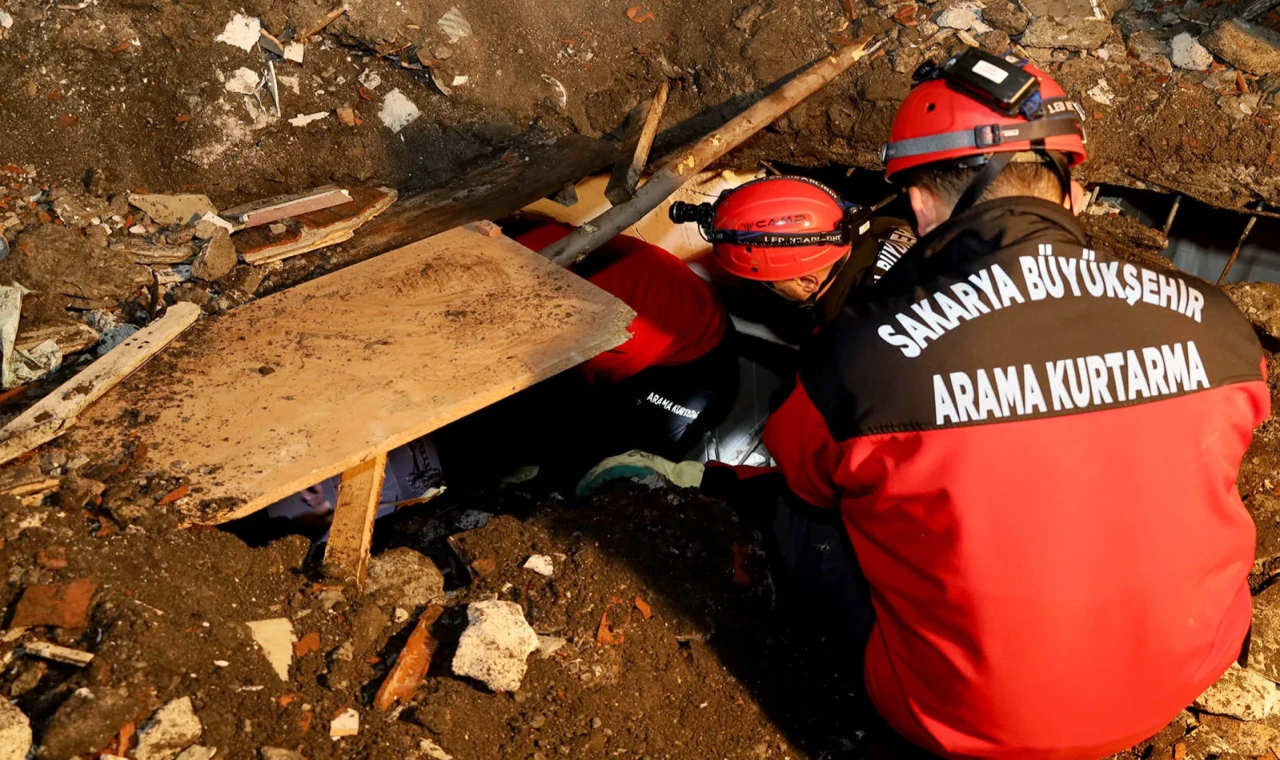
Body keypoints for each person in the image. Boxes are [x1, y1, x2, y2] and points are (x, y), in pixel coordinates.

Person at [586, 48, 1271, 759]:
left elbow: (801, 480)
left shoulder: (861, 361)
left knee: (805, 516)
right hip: (1181, 675)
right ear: (1075, 191)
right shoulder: (1219, 324)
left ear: (918, 204)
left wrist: (698, 486)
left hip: (976, 723)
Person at [669, 175, 917, 345]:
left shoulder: (846, 332)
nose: (765, 288)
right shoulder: (887, 226)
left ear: (808, 282)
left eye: (769, 284)